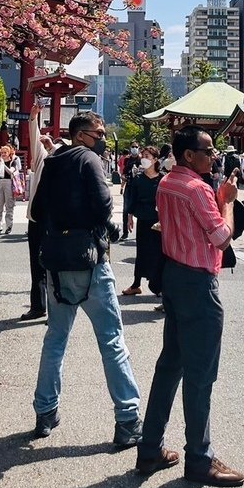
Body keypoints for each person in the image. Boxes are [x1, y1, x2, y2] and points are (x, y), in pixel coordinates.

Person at [135, 124, 243, 486]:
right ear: (188, 155)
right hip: (198, 282)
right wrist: (225, 200)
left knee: (170, 365)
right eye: (208, 150)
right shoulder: (198, 189)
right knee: (200, 375)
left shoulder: (166, 183)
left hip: (174, 277)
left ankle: (149, 447)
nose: (214, 156)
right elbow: (221, 237)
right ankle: (200, 458)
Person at [31, 112, 142, 446]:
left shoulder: (53, 163)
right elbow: (104, 203)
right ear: (81, 135)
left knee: (56, 338)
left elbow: (37, 210)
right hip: (90, 259)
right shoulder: (89, 159)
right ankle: (127, 418)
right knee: (111, 339)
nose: (103, 136)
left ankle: (45, 411)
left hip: (56, 259)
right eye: (99, 131)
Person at [21, 104, 55, 321]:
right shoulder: (42, 159)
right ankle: (38, 305)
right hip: (36, 218)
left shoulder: (63, 158)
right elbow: (35, 139)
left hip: (55, 220)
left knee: (54, 266)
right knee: (36, 263)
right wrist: (34, 117)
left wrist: (53, 148)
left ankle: (56, 310)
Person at [122, 146, 164, 297]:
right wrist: (129, 216)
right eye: (143, 155)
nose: (144, 158)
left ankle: (159, 284)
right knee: (142, 251)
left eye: (148, 156)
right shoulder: (138, 178)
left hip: (159, 220)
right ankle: (136, 284)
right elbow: (132, 199)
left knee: (159, 252)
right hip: (143, 217)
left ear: (155, 160)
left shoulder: (163, 178)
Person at [0, 144, 21, 235]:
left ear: (9, 153)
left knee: (9, 205)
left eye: (5, 152)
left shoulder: (13, 161)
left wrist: (4, 164)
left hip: (9, 182)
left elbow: (11, 171)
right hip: (0, 182)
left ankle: (9, 226)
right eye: (2, 152)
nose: (3, 154)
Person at [121, 145, 142, 238]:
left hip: (139, 187)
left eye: (136, 147)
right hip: (129, 187)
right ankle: (125, 232)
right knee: (126, 210)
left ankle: (141, 233)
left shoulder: (141, 160)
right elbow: (123, 173)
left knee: (140, 209)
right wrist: (124, 178)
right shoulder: (127, 160)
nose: (134, 148)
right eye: (133, 147)